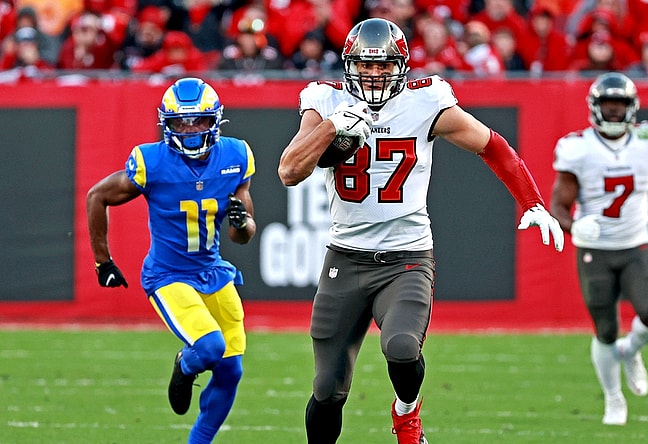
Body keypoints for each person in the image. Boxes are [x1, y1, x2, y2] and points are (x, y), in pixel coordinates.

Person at [277, 18, 564, 444]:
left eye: (384, 65)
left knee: (402, 347)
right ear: (349, 66)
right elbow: (289, 171)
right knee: (327, 389)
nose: (374, 75)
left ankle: (406, 413)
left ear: (402, 67)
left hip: (406, 257)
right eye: (365, 65)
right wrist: (333, 126)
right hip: (346, 257)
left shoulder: (425, 102)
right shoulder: (325, 100)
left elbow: (491, 145)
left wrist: (532, 201)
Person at [86, 77, 257, 444]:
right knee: (209, 347)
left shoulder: (235, 156)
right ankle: (185, 364)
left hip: (213, 271)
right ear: (167, 124)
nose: (191, 130)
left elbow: (242, 235)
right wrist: (103, 261)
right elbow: (96, 196)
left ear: (215, 121)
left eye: (199, 121)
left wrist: (241, 222)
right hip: (169, 275)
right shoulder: (152, 162)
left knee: (231, 369)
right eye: (182, 123)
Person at [549, 72, 648, 426]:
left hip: (635, 244)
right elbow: (559, 206)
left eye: (620, 103)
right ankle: (613, 399)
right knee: (605, 330)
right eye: (608, 104)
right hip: (594, 249)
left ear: (632, 107)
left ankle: (631, 350)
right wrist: (574, 226)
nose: (614, 110)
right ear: (595, 107)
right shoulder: (577, 148)